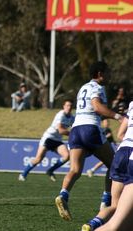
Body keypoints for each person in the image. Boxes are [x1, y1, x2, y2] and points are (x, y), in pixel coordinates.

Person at [55, 61, 123, 222]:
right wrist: (118, 117)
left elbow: (93, 109)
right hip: (90, 129)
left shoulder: (83, 87)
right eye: (108, 72)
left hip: (76, 130)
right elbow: (97, 107)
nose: (110, 75)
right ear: (100, 74)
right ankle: (105, 202)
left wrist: (112, 112)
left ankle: (63, 194)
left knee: (75, 169)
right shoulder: (97, 88)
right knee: (114, 165)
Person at [94, 101, 133, 230]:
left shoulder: (132, 104)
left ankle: (92, 224)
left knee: (116, 208)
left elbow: (120, 134)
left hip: (123, 152)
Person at [18, 99, 74, 182]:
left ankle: (50, 170)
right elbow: (60, 130)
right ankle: (23, 174)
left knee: (67, 156)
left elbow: (75, 127)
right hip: (49, 137)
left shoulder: (72, 118)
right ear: (64, 106)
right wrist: (73, 134)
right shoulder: (60, 114)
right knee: (38, 159)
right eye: (67, 105)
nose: (69, 107)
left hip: (57, 140)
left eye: (71, 106)